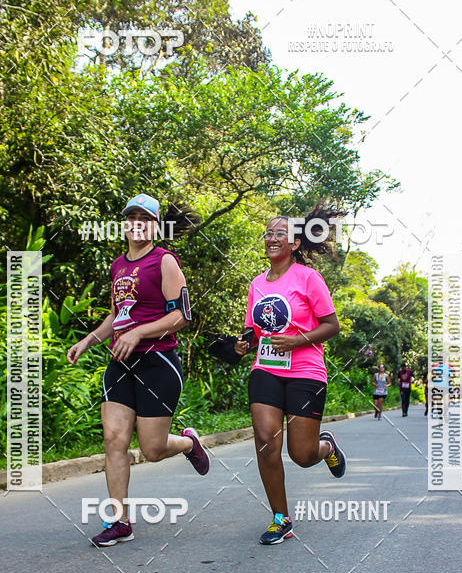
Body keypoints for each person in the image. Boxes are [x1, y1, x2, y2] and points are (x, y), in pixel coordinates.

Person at [67, 193, 209, 547]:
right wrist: (88, 341)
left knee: (152, 450)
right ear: (125, 224)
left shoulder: (164, 261)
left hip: (157, 362)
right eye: (132, 217)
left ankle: (189, 443)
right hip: (120, 363)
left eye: (145, 218)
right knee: (114, 439)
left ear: (155, 226)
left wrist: (139, 333)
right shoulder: (118, 266)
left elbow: (181, 316)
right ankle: (120, 521)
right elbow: (117, 315)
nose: (137, 224)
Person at [233, 210, 346, 546]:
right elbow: (253, 330)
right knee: (267, 441)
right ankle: (280, 518)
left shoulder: (308, 278)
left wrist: (297, 341)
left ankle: (326, 448)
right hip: (266, 369)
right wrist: (244, 343)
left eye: (280, 233)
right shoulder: (256, 283)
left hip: (306, 372)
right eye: (268, 233)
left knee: (301, 454)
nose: (271, 238)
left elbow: (331, 326)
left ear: (296, 243)